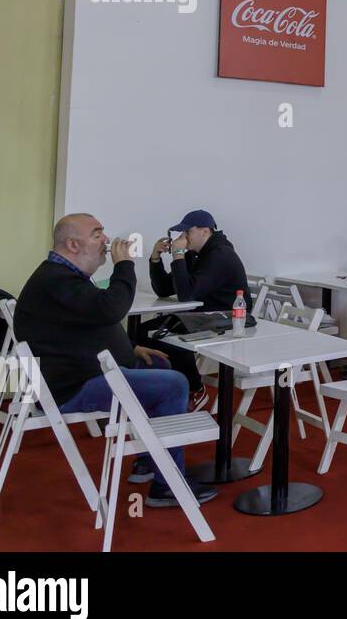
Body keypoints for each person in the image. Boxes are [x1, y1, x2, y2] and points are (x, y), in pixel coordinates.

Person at [13, 214, 216, 508]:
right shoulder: (56, 281)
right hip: (71, 387)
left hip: (74, 371)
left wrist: (131, 348)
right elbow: (111, 310)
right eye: (97, 234)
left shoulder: (60, 277)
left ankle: (149, 459)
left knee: (159, 365)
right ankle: (168, 485)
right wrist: (124, 265)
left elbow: (91, 321)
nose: (106, 240)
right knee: (174, 385)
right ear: (72, 244)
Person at [146, 209, 251, 406]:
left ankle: (195, 388)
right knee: (145, 332)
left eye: (187, 232)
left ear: (205, 231)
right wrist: (155, 258)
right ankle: (163, 390)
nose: (183, 237)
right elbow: (164, 289)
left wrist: (177, 254)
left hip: (231, 317)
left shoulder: (221, 255)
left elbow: (187, 294)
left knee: (166, 335)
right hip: (204, 314)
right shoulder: (194, 255)